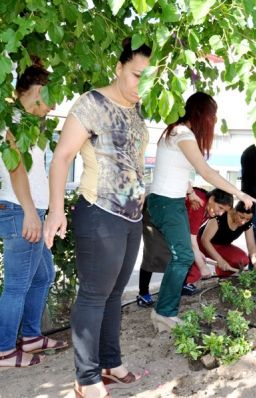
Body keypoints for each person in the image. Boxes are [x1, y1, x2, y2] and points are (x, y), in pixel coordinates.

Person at [43, 38, 152, 397]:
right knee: (93, 295)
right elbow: (61, 158)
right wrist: (56, 211)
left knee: (114, 294)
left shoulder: (137, 110)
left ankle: (111, 363)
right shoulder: (92, 103)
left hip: (132, 217)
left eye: (148, 78)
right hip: (100, 212)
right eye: (137, 75)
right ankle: (86, 379)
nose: (141, 84)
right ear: (119, 68)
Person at [146, 92, 256, 333]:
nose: (213, 121)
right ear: (202, 114)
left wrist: (190, 191)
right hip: (165, 202)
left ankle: (164, 312)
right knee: (184, 256)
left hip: (171, 200)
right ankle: (164, 312)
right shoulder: (182, 134)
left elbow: (173, 167)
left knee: (182, 256)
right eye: (212, 116)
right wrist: (240, 194)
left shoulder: (175, 132)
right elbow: (205, 172)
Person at [0, 62, 68, 368]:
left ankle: (30, 336)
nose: (53, 106)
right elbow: (15, 169)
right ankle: (3, 350)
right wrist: (30, 213)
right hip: (20, 210)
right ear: (38, 91)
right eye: (51, 97)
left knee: (43, 276)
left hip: (31, 210)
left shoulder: (28, 123)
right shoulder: (12, 121)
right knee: (17, 285)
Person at [136, 187, 233, 307]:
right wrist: (202, 267)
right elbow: (191, 240)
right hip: (155, 214)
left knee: (185, 252)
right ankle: (143, 293)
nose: (220, 213)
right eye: (220, 208)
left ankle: (182, 285)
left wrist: (198, 254)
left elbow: (189, 234)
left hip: (172, 220)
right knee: (154, 253)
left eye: (224, 211)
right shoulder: (200, 204)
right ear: (212, 199)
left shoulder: (209, 209)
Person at [200, 201, 256, 276]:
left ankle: (222, 277)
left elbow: (251, 246)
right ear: (235, 210)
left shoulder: (247, 223)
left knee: (242, 260)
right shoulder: (221, 216)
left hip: (222, 247)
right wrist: (220, 260)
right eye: (241, 217)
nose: (243, 222)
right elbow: (205, 240)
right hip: (201, 245)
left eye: (247, 219)